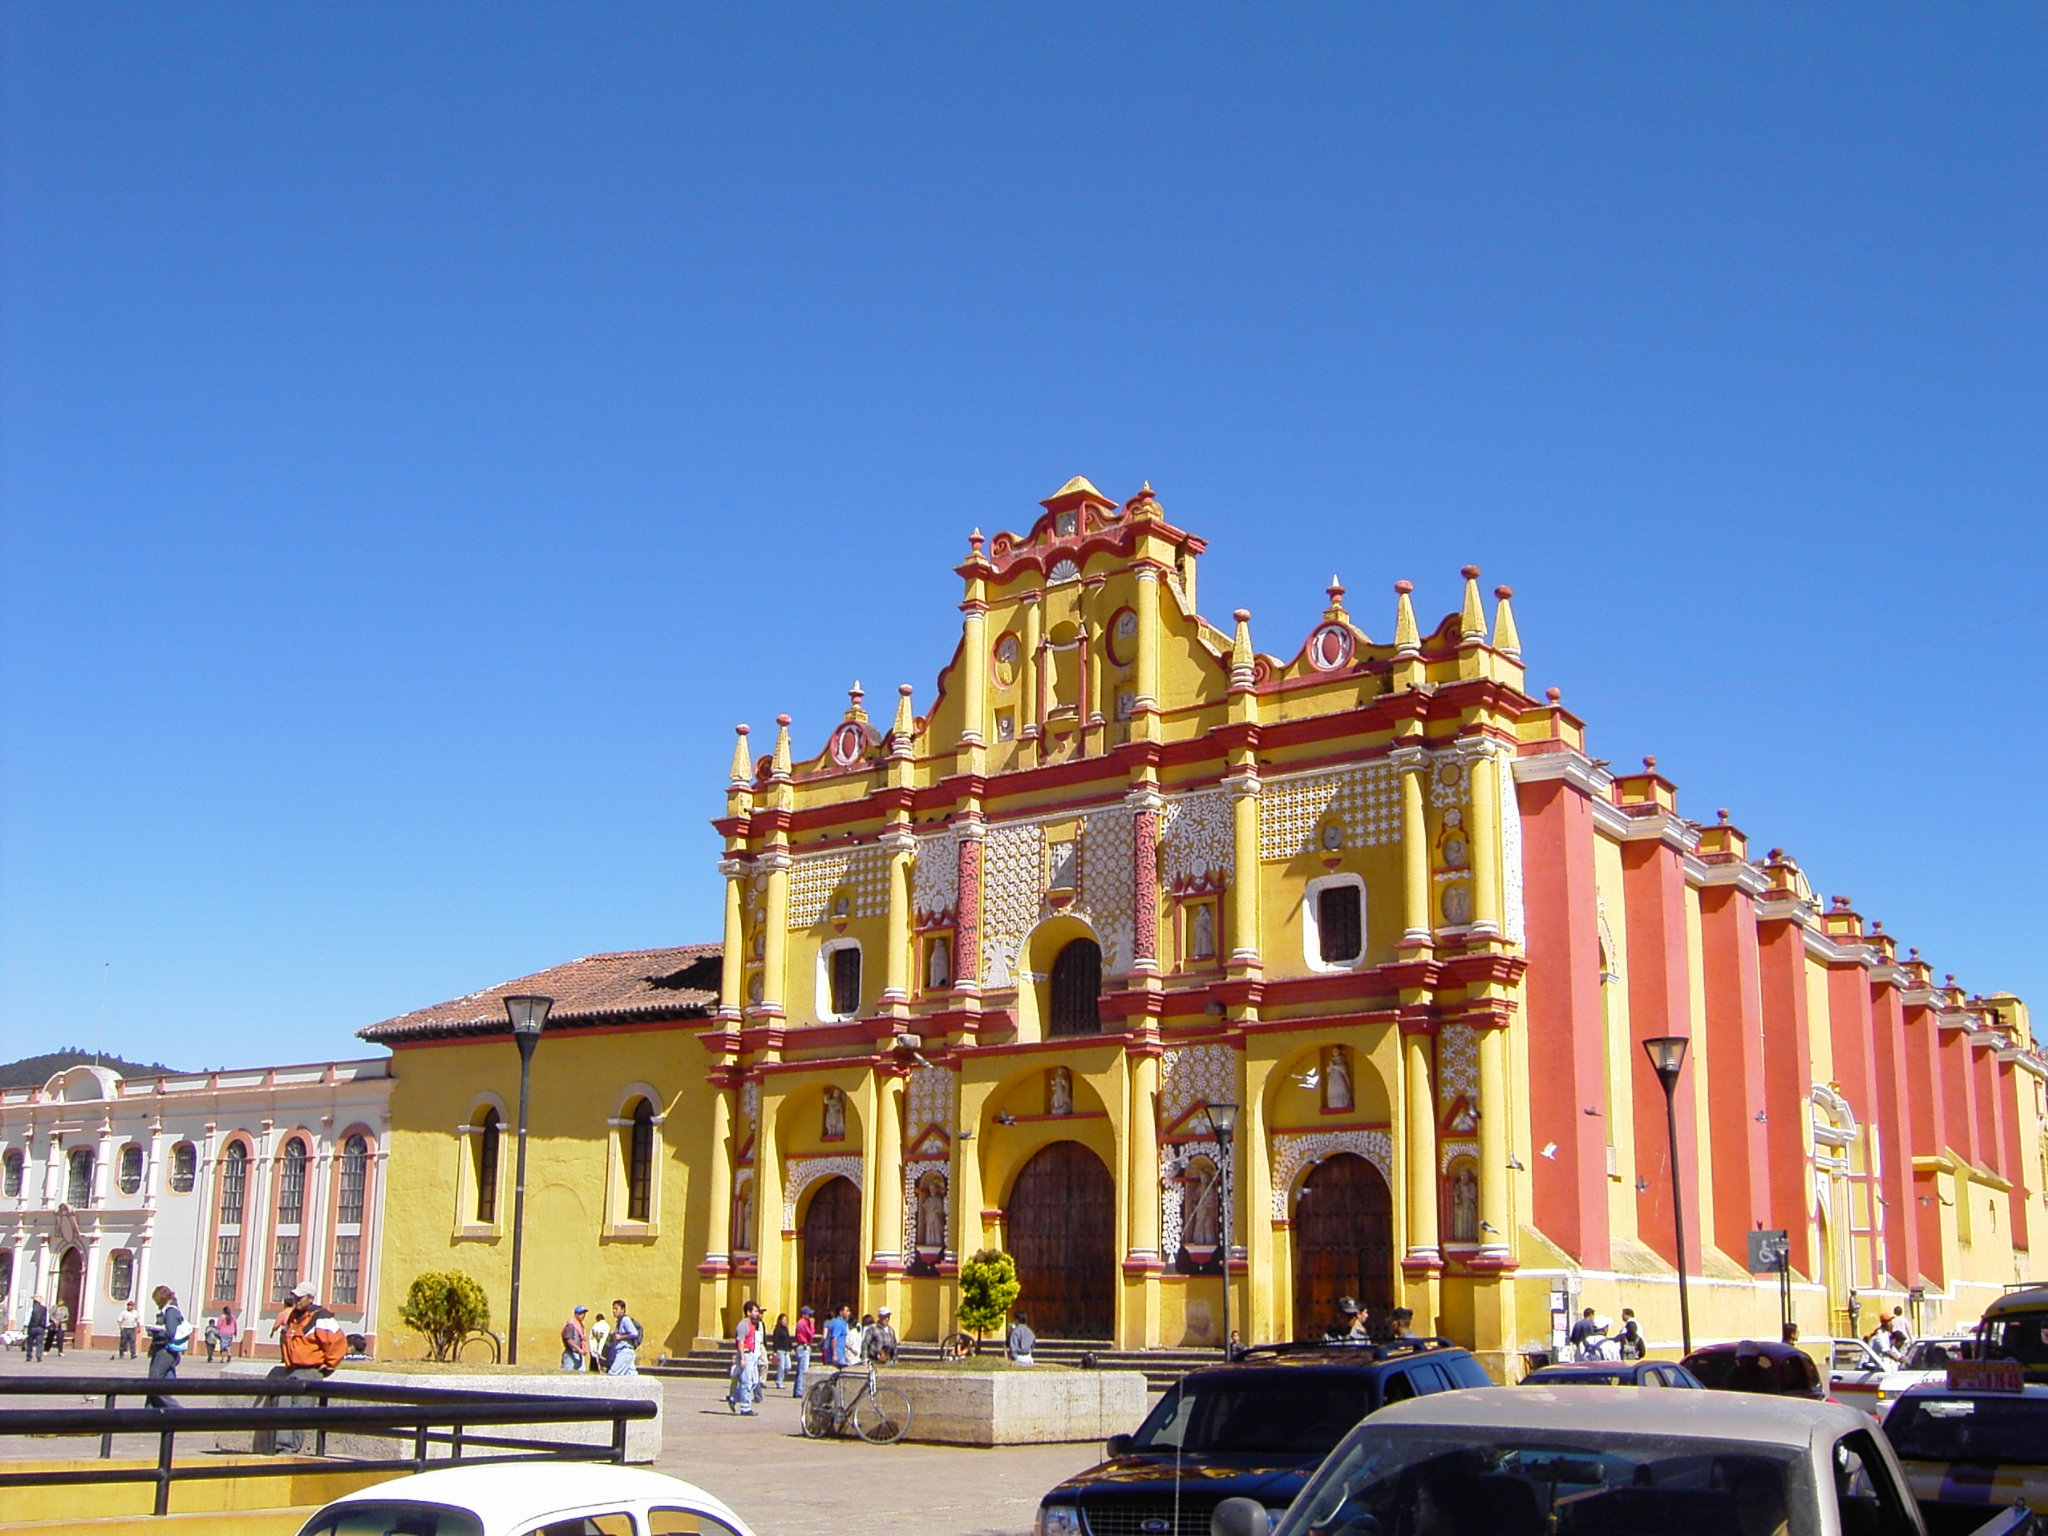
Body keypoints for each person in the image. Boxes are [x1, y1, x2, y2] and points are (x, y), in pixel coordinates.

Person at [262, 1282, 347, 1455]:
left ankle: (291, 1449)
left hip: (309, 1371)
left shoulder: (321, 1317)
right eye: (295, 1297)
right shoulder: (293, 1316)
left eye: (301, 1298)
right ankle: (281, 1448)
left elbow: (338, 1342)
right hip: (291, 1370)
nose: (297, 1300)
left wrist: (329, 1364)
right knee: (283, 1408)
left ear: (310, 1298)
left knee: (300, 1411)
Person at [144, 1286, 188, 1407]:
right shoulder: (167, 1311)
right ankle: (149, 1414)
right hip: (161, 1350)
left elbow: (170, 1332)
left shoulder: (171, 1311)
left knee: (153, 1383)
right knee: (161, 1384)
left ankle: (178, 1412)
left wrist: (156, 1333)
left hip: (166, 1351)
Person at [727, 1301, 764, 1415]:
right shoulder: (743, 1324)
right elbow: (740, 1342)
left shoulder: (753, 1324)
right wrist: (742, 1357)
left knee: (754, 1381)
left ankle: (733, 1397)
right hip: (746, 1354)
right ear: (748, 1312)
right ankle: (745, 1407)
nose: (757, 1313)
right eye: (755, 1311)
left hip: (752, 1355)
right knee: (746, 1381)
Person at [606, 1299, 642, 1375]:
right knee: (631, 1375)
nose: (614, 1311)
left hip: (625, 1351)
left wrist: (621, 1337)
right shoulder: (619, 1321)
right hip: (627, 1352)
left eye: (616, 1309)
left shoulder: (625, 1320)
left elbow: (634, 1333)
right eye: (613, 1309)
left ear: (622, 1310)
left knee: (613, 1373)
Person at [792, 1306, 816, 1398]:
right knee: (803, 1370)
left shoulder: (802, 1322)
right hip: (803, 1347)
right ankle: (799, 1391)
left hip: (802, 1347)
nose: (810, 1316)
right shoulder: (803, 1323)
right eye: (808, 1314)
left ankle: (796, 1390)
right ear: (803, 1314)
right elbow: (810, 1334)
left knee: (799, 1370)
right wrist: (812, 1325)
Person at [769, 1312, 793, 1396]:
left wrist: (791, 1348)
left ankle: (778, 1377)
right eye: (784, 1320)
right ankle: (779, 1382)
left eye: (786, 1320)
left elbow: (788, 1339)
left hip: (786, 1350)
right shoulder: (777, 1329)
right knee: (781, 1366)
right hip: (780, 1350)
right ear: (780, 1320)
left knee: (788, 1366)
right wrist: (774, 1351)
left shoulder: (786, 1329)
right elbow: (775, 1340)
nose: (785, 1321)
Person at [560, 1306, 589, 1372]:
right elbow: (569, 1340)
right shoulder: (571, 1325)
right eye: (581, 1313)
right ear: (576, 1314)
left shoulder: (580, 1325)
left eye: (584, 1313)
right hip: (571, 1354)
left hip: (579, 1353)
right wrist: (579, 1349)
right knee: (569, 1373)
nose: (583, 1315)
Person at [824, 1304, 852, 1370]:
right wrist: (835, 1354)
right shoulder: (838, 1323)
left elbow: (842, 1339)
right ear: (841, 1312)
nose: (849, 1313)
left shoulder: (844, 1323)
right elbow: (834, 1338)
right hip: (837, 1355)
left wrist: (851, 1348)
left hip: (841, 1354)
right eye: (846, 1311)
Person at [586, 1307, 611, 1372]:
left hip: (595, 1347)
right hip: (605, 1347)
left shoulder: (595, 1326)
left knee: (595, 1363)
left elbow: (592, 1339)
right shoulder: (607, 1326)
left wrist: (593, 1350)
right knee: (604, 1363)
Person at [24, 1297, 47, 1363]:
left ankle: (29, 1356)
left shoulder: (31, 1308)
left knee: (30, 1343)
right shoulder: (44, 1309)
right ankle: (38, 1355)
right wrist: (45, 1326)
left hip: (32, 1327)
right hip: (41, 1328)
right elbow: (46, 1319)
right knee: (39, 1343)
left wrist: (25, 1325)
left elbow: (28, 1317)